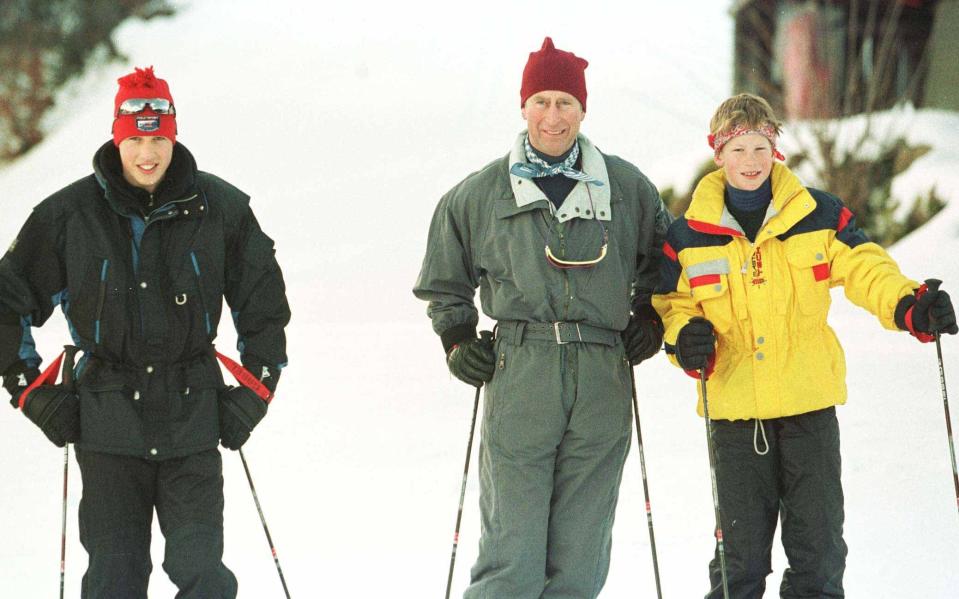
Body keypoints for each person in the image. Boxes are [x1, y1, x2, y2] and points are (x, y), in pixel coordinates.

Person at [0, 66, 291, 598]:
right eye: (135, 138)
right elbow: (6, 302)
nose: (147, 152)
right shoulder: (69, 215)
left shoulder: (221, 209)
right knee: (115, 574)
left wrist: (257, 389)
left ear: (174, 136)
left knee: (201, 569)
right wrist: (31, 392)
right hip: (107, 423)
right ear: (117, 137)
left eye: (158, 137)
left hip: (193, 418)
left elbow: (263, 306)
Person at [652, 93, 957, 598]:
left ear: (776, 151)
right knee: (739, 561)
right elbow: (668, 302)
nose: (750, 162)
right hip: (735, 417)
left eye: (760, 147)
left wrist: (908, 303)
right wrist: (683, 336)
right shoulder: (688, 235)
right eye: (738, 149)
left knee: (818, 552)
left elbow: (866, 267)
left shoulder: (817, 214)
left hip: (809, 410)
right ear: (718, 154)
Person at [413, 37, 671, 598]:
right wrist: (457, 338)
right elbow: (443, 276)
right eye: (541, 101)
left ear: (583, 109)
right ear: (523, 105)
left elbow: (669, 262)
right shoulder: (481, 193)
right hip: (522, 367)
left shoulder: (627, 188)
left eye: (565, 103)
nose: (552, 117)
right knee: (513, 556)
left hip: (603, 371)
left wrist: (651, 315)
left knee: (579, 560)